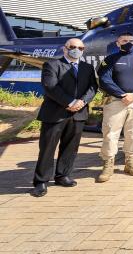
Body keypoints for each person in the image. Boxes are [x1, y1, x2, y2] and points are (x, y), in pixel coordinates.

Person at [31, 38, 98, 197]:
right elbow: (50, 87)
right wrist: (69, 102)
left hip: (78, 114)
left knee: (70, 148)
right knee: (47, 149)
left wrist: (82, 102)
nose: (77, 50)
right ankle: (41, 181)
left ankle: (62, 175)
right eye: (73, 47)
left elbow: (93, 87)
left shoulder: (87, 67)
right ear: (65, 49)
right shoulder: (52, 65)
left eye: (80, 48)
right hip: (55, 114)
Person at [97, 33, 133, 182]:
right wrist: (122, 95)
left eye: (130, 41)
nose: (127, 43)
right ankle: (108, 164)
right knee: (110, 133)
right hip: (116, 101)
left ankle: (130, 161)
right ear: (118, 43)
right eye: (124, 41)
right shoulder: (110, 60)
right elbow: (104, 79)